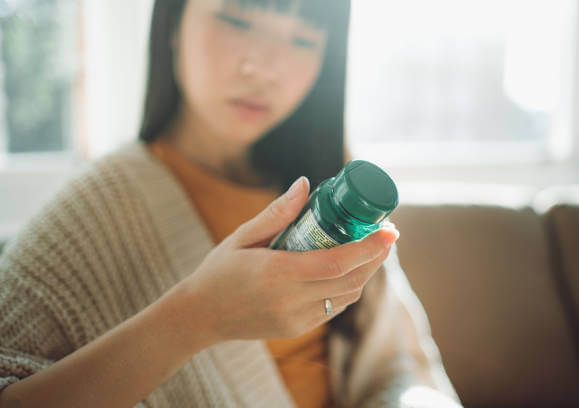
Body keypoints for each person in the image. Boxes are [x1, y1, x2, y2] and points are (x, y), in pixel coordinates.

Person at [0, 0, 461, 406]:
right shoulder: (94, 209)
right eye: (238, 20)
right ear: (174, 20)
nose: (266, 68)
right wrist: (194, 318)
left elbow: (402, 367)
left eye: (303, 39)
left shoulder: (336, 187)